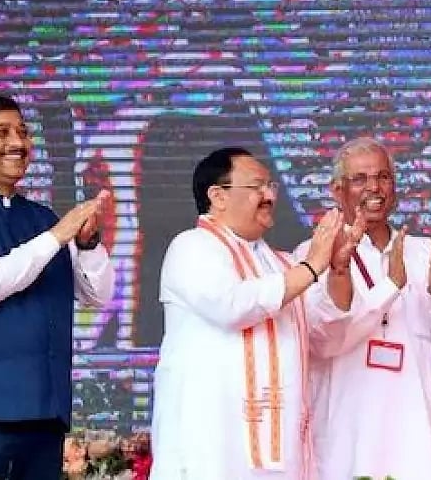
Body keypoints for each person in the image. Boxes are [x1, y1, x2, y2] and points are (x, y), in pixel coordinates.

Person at [0, 94, 114, 479]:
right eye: (1, 132)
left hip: (46, 412)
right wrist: (58, 235)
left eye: (23, 132)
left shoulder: (42, 217)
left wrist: (87, 243)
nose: (18, 142)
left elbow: (98, 296)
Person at [149, 147, 359, 480]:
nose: (269, 196)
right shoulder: (192, 247)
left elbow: (324, 337)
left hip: (282, 453)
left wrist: (336, 270)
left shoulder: (282, 264)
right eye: (257, 187)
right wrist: (312, 265)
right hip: (212, 446)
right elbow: (232, 305)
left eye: (271, 187)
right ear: (218, 196)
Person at [301, 136, 431, 480]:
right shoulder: (312, 255)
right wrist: (388, 287)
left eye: (383, 177)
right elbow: (322, 340)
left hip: (416, 435)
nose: (374, 188)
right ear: (337, 191)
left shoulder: (424, 252)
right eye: (360, 179)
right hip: (347, 434)